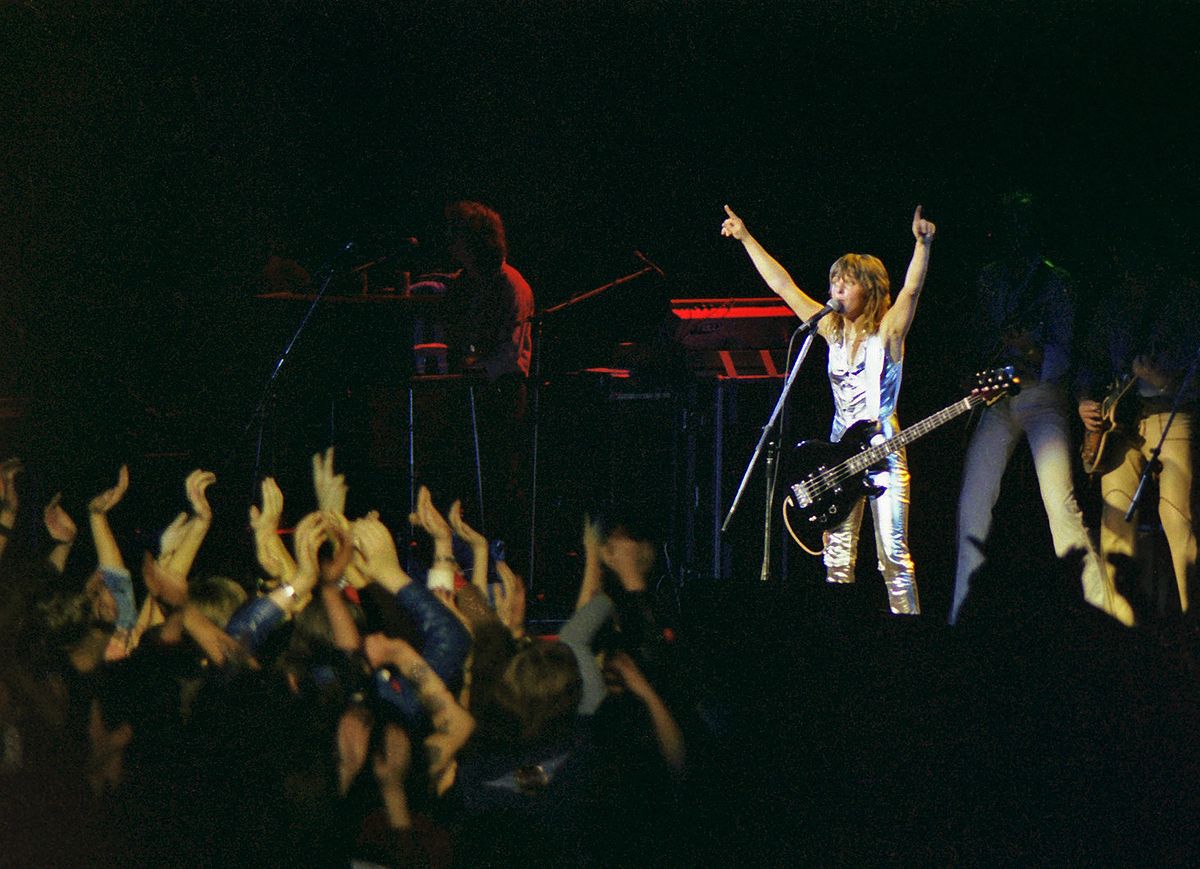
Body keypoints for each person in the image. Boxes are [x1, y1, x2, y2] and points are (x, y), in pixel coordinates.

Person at [721, 203, 936, 614]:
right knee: (837, 558)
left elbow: (911, 291)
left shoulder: (888, 332)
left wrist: (922, 245)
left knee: (892, 556)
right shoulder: (830, 330)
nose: (835, 290)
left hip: (882, 448)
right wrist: (747, 238)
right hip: (838, 450)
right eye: (833, 282)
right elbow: (783, 287)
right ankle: (839, 641)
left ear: (868, 290)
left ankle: (910, 637)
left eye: (845, 284)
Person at [949, 191, 1133, 625]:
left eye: (1021, 224)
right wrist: (975, 369)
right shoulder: (990, 278)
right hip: (997, 398)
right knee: (972, 502)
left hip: (1041, 398)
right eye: (1007, 224)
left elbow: (1064, 356)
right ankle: (961, 613)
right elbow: (978, 334)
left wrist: (1031, 350)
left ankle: (1097, 611)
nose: (1013, 233)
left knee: (1059, 502)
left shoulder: (1056, 282)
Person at [1076, 251, 1198, 617]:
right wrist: (1085, 400)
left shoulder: (1183, 298)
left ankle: (1193, 622)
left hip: (1168, 410)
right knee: (1114, 517)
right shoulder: (1113, 306)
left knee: (1177, 516)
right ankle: (1118, 624)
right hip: (1119, 425)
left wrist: (1165, 379)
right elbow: (1089, 361)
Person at [437, 201, 535, 564]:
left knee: (498, 479)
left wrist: (477, 367)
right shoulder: (463, 285)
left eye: (458, 239)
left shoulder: (511, 285)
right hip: (469, 391)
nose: (452, 246)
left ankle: (501, 558)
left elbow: (511, 352)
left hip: (501, 392)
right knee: (462, 476)